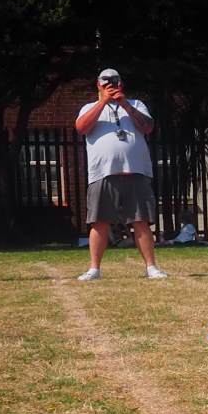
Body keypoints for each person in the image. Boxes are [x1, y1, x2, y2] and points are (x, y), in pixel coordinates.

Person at [75, 68, 164, 281]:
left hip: (136, 171)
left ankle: (151, 267)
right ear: (98, 85)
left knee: (140, 221)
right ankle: (94, 269)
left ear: (121, 84)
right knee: (99, 222)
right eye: (105, 83)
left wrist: (124, 104)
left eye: (113, 83)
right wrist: (103, 102)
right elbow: (81, 127)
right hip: (102, 173)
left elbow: (148, 127)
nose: (110, 86)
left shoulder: (136, 105)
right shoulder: (89, 107)